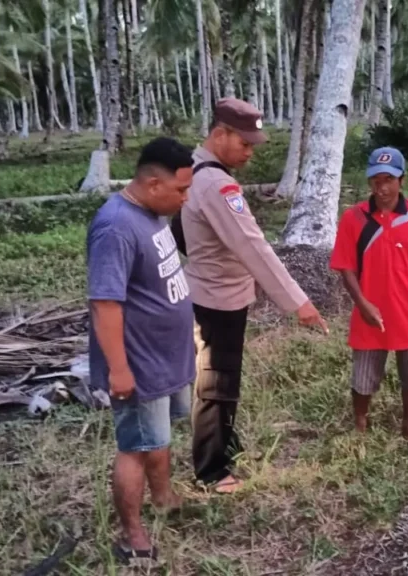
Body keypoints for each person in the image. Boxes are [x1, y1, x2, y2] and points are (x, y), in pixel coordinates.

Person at [176, 97, 329, 494]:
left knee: (220, 379)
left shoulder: (192, 171)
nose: (249, 151)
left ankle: (225, 445)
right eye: (244, 143)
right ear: (219, 134)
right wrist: (298, 302)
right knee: (216, 382)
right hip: (218, 298)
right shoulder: (217, 184)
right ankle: (211, 471)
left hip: (205, 288)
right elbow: (253, 247)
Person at [86, 137, 196, 564]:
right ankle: (134, 538)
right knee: (135, 445)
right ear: (153, 184)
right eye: (181, 190)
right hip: (139, 364)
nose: (185, 199)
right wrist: (119, 369)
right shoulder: (116, 226)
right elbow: (105, 303)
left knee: (159, 434)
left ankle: (164, 497)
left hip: (167, 357)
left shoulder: (152, 213)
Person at [329, 146, 408, 442]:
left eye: (389, 180)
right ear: (369, 182)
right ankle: (360, 425)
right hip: (372, 312)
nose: (382, 187)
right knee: (364, 377)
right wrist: (362, 303)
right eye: (376, 180)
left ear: (401, 180)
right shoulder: (354, 218)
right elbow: (345, 268)